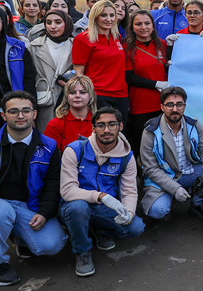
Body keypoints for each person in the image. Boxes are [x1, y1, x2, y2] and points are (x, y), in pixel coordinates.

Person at [0, 91, 66, 287]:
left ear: (35, 114)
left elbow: (53, 184)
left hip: (29, 206)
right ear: (3, 115)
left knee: (52, 245)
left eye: (25, 111)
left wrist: (45, 213)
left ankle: (20, 238)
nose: (20, 116)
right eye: (13, 111)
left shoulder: (49, 146)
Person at [59, 106, 145, 277]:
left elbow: (129, 190)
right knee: (78, 208)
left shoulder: (127, 157)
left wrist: (128, 212)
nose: (106, 130)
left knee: (135, 227)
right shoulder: (75, 150)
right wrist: (101, 196)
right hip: (75, 205)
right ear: (93, 128)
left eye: (112, 124)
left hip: (104, 208)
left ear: (120, 126)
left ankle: (100, 230)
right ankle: (82, 251)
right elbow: (67, 191)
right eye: (101, 125)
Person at [140, 86, 203, 221]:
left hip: (189, 172)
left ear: (184, 106)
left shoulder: (194, 124)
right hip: (164, 177)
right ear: (162, 107)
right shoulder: (150, 131)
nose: (175, 109)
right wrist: (175, 189)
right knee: (158, 211)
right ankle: (171, 197)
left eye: (179, 104)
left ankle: (197, 203)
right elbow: (151, 169)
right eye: (170, 105)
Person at [72, 0, 128, 122]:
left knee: (120, 133)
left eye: (112, 15)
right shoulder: (83, 39)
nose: (109, 19)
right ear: (95, 16)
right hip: (98, 94)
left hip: (121, 94)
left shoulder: (116, 36)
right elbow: (79, 74)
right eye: (103, 15)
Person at [124, 11, 169, 158]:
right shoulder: (128, 48)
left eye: (147, 23)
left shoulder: (162, 45)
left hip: (163, 104)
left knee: (163, 144)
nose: (143, 27)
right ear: (132, 27)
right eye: (138, 24)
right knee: (143, 144)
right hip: (141, 105)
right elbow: (129, 77)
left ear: (153, 26)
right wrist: (156, 84)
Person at [0, 5, 36, 133]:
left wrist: (30, 108)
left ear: (4, 22)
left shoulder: (18, 47)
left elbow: (29, 81)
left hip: (15, 112)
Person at [28, 9, 74, 128]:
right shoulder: (34, 46)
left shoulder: (77, 45)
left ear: (67, 23)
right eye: (48, 23)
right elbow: (28, 78)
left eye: (58, 22)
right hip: (44, 102)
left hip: (71, 101)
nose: (53, 26)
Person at [43, 75, 95, 152]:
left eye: (82, 92)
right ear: (67, 96)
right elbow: (49, 155)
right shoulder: (55, 124)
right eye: (72, 92)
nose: (77, 96)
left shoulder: (99, 123)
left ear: (90, 96)